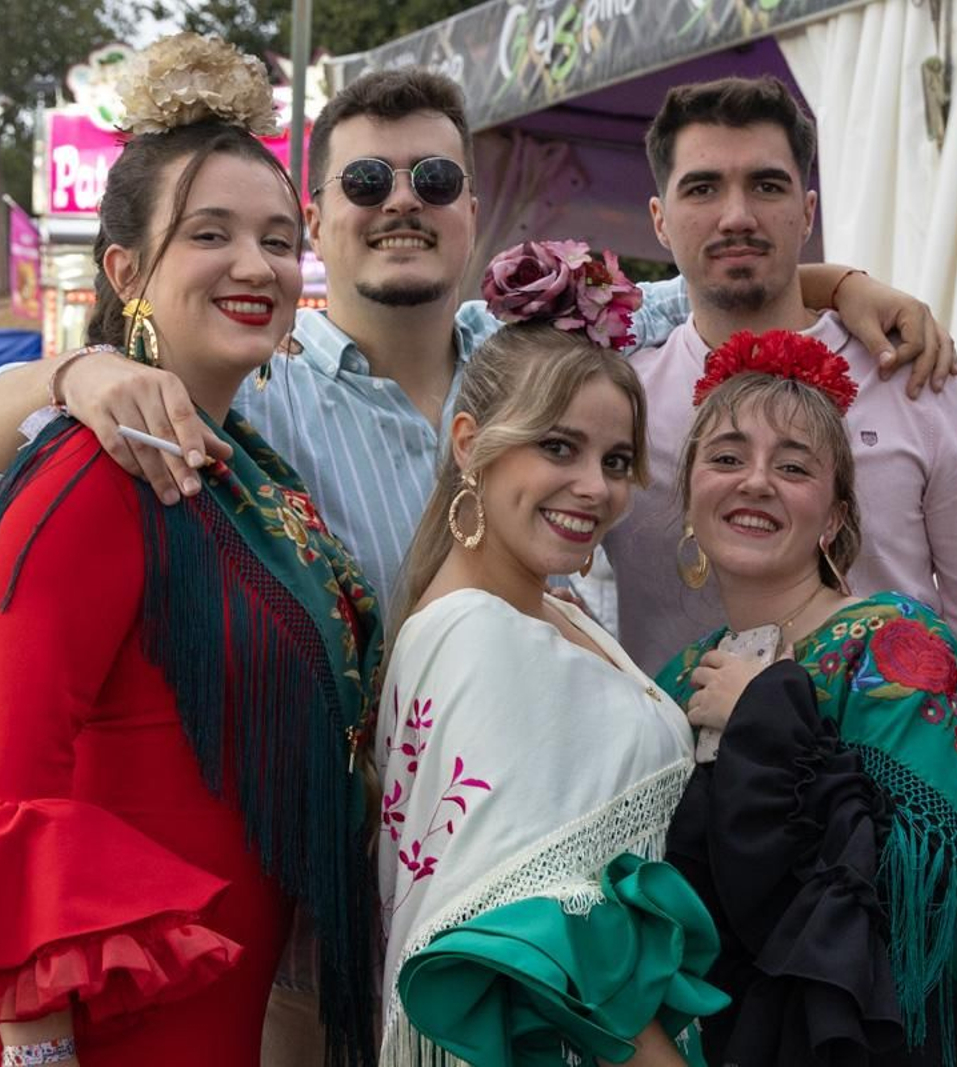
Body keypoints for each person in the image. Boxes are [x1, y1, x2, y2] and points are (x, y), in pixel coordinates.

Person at [0, 68, 957, 1063]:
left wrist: (845, 286)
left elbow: (705, 284)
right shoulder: (251, 398)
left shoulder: (529, 350)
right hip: (289, 937)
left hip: (375, 939)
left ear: (473, 207)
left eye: (432, 181)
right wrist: (79, 365)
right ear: (327, 220)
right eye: (365, 184)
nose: (400, 206)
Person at [0, 36, 382, 1067]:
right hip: (97, 1019)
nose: (257, 265)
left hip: (213, 1001)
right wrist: (39, 1052)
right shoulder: (97, 471)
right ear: (125, 269)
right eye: (211, 234)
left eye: (280, 240)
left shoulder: (247, 468)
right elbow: (9, 795)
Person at [603, 74, 957, 1014]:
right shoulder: (621, 394)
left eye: (767, 186)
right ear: (659, 217)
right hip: (686, 843)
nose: (736, 214)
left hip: (895, 834)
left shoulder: (909, 375)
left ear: (808, 209)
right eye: (703, 189)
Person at [379, 243, 726, 1066]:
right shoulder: (477, 634)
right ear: (471, 442)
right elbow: (543, 943)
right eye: (558, 448)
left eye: (614, 461)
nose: (596, 489)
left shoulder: (551, 606)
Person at [655, 330, 957, 1066]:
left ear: (835, 517)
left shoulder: (901, 652)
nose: (754, 481)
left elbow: (906, 899)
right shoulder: (675, 679)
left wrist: (766, 717)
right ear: (690, 497)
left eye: (793, 466)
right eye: (726, 457)